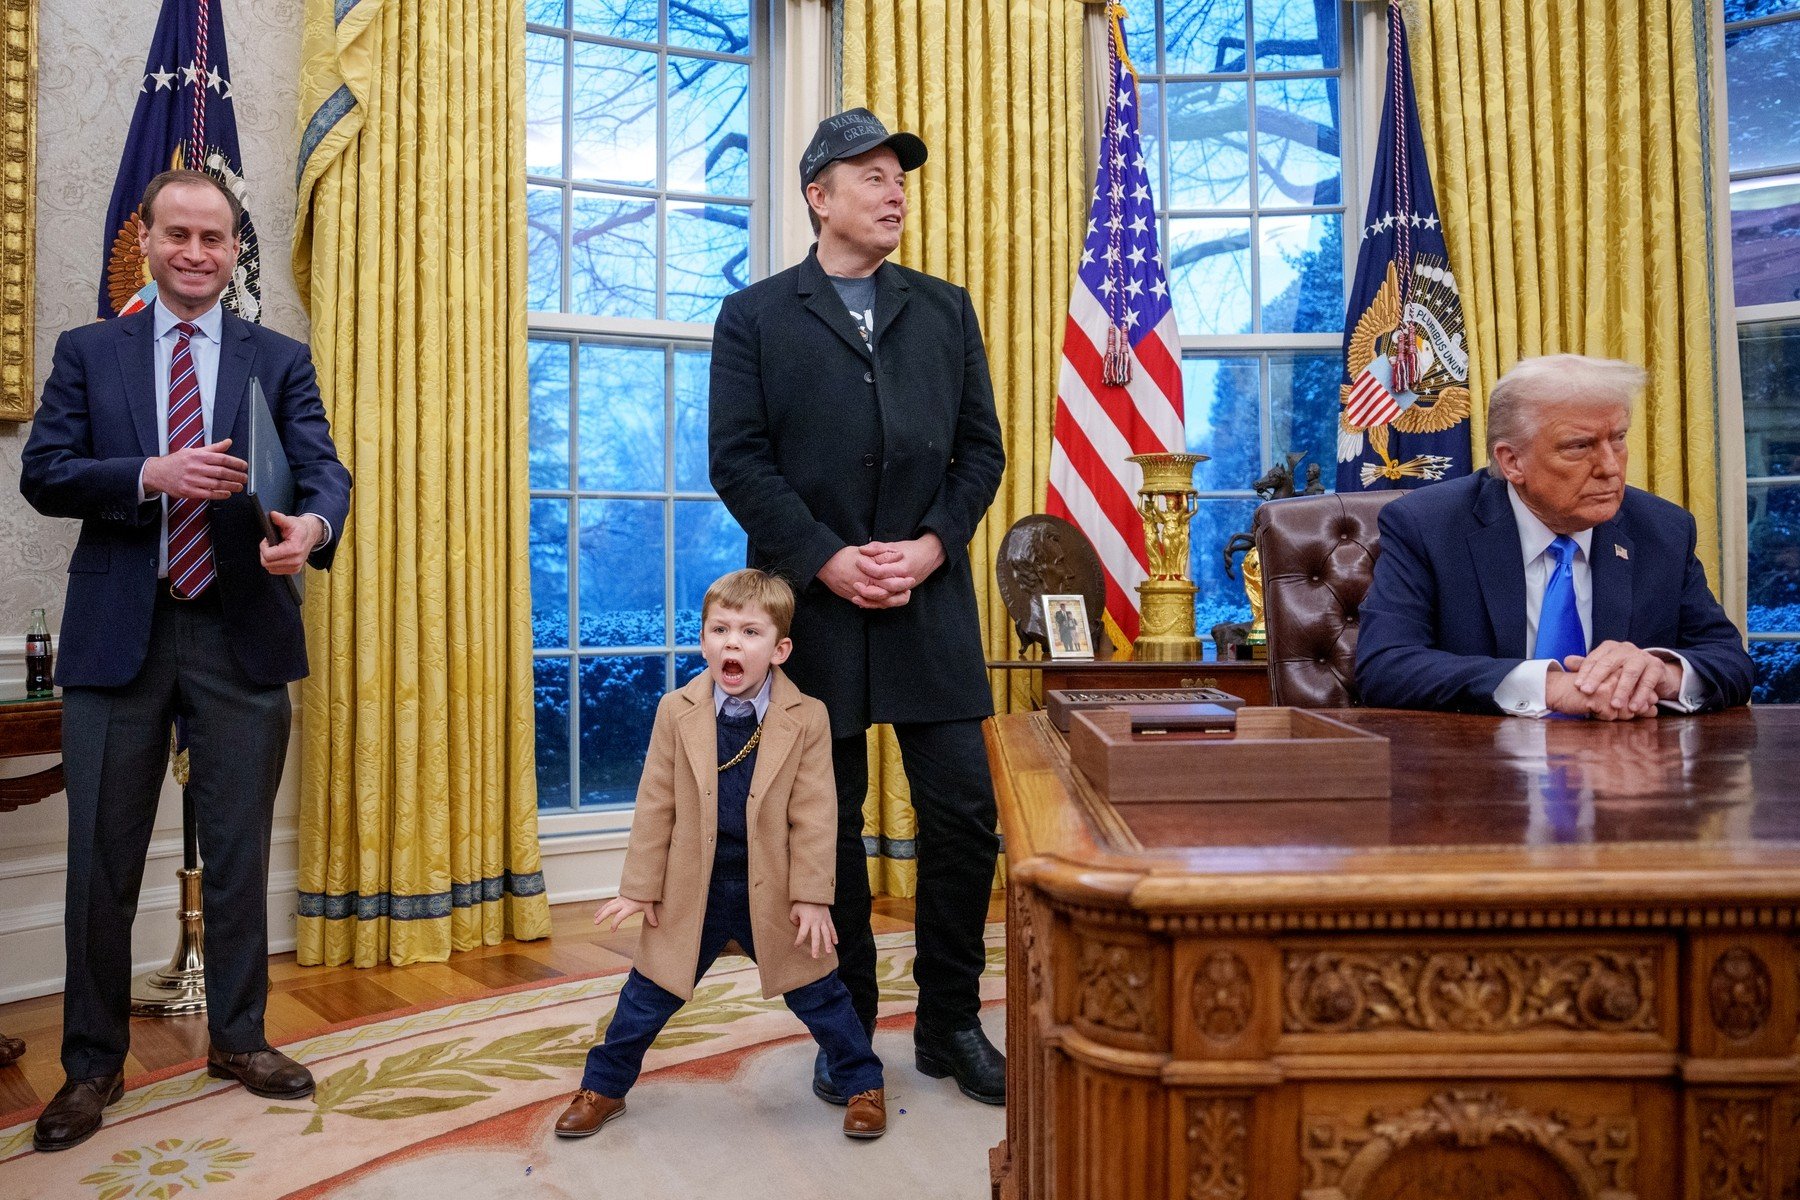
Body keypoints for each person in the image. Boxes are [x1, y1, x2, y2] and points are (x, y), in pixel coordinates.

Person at [20, 168, 352, 1152]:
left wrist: (314, 526)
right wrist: (148, 474)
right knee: (103, 861)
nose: (197, 252)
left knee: (243, 848)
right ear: (149, 241)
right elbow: (45, 472)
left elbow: (322, 465)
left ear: (236, 246)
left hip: (240, 628)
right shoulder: (90, 351)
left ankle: (241, 1041)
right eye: (179, 235)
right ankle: (89, 1066)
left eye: (216, 236)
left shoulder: (277, 358)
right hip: (121, 632)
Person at [709, 109, 1007, 1106]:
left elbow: (982, 454)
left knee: (965, 813)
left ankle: (951, 1023)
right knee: (828, 833)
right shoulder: (753, 317)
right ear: (819, 196)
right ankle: (851, 1037)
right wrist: (827, 559)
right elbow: (738, 462)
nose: (894, 193)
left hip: (929, 604)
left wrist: (929, 546)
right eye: (872, 176)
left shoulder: (947, 309)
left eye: (901, 178)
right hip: (814, 609)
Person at [554, 569, 887, 1141]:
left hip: (774, 889)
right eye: (720, 629)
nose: (732, 643)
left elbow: (815, 815)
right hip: (695, 885)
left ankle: (863, 1082)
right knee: (646, 996)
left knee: (822, 994)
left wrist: (811, 897)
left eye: (750, 632)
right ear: (703, 639)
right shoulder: (674, 710)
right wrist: (639, 886)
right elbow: (656, 802)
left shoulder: (807, 718)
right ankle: (603, 1087)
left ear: (779, 649)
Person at [1356, 353, 1754, 717]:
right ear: (1512, 462)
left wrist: (1660, 673)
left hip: (1625, 777)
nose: (1610, 467)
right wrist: (1551, 687)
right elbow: (1386, 666)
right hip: (1479, 773)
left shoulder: (1662, 530)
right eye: (1579, 446)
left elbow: (1730, 661)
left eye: (1618, 438)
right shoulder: (1429, 526)